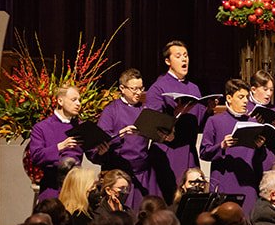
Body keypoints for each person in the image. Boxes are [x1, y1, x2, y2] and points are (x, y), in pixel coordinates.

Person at [144, 40, 204, 199]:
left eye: (186, 55)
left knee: (191, 199)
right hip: (168, 150)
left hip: (189, 150)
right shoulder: (158, 87)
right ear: (168, 61)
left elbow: (199, 121)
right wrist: (175, 114)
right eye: (178, 56)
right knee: (170, 199)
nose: (184, 59)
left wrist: (209, 109)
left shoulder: (194, 88)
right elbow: (151, 122)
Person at [199, 78, 261, 211]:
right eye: (241, 97)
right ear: (229, 98)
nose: (245, 101)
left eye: (247, 97)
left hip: (247, 183)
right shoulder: (214, 121)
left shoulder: (253, 122)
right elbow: (204, 153)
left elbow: (258, 159)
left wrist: (260, 146)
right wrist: (221, 145)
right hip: (224, 181)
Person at [95, 69, 151, 209]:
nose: (138, 93)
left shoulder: (145, 110)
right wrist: (121, 133)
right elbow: (100, 140)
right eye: (134, 89)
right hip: (118, 172)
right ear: (122, 88)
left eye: (141, 88)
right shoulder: (111, 110)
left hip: (141, 172)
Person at [28, 85, 84, 201]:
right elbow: (36, 156)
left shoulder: (80, 126)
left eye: (79, 100)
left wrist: (101, 150)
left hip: (75, 188)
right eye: (74, 100)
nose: (78, 104)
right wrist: (60, 146)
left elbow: (93, 153)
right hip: (52, 188)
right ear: (60, 101)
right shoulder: (42, 127)